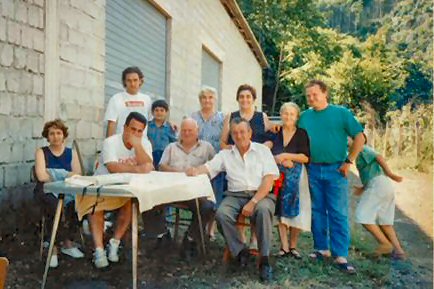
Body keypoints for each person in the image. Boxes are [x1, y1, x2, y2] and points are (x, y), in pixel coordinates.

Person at [187, 117, 280, 282]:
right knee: (221, 214)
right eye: (235, 133)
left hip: (261, 194)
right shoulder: (226, 154)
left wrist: (253, 202)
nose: (239, 136)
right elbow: (209, 168)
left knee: (264, 210)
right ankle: (240, 251)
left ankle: (264, 260)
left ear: (250, 132)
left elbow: (268, 182)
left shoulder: (263, 151)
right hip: (235, 195)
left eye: (243, 131)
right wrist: (194, 170)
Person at [298, 80, 365, 274]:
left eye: (315, 94)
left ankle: (341, 254)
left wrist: (349, 161)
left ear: (325, 93)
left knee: (337, 211)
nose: (311, 98)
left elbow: (360, 137)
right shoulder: (304, 117)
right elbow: (290, 129)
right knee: (317, 210)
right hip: (312, 169)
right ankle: (321, 249)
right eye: (308, 95)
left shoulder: (341, 113)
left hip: (336, 170)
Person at [76, 112, 154, 268]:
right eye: (133, 129)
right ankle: (98, 250)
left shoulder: (144, 143)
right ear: (125, 127)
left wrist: (138, 145)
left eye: (140, 131)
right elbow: (112, 167)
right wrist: (138, 169)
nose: (135, 134)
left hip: (126, 188)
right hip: (103, 186)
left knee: (131, 204)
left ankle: (115, 242)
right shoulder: (111, 142)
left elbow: (149, 166)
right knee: (95, 207)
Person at [220, 84, 275, 252]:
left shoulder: (262, 116)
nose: (245, 99)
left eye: (248, 97)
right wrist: (233, 150)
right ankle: (240, 241)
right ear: (237, 99)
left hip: (257, 164)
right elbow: (223, 142)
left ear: (253, 99)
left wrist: (263, 147)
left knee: (260, 208)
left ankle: (255, 240)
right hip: (237, 164)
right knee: (232, 203)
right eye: (242, 96)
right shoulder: (231, 116)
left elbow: (272, 136)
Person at [159, 118, 216, 259]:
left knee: (208, 207)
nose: (187, 133)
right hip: (171, 189)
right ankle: (161, 235)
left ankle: (190, 238)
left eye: (190, 130)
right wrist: (180, 173)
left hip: (195, 192)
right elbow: (162, 166)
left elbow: (215, 167)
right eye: (184, 130)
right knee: (147, 200)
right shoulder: (171, 147)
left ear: (197, 131)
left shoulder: (207, 147)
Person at [34, 119, 84, 268]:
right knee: (54, 207)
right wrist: (65, 175)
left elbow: (77, 174)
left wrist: (54, 174)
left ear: (64, 135)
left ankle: (67, 243)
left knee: (79, 204)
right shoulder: (41, 152)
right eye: (52, 133)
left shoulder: (71, 153)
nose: (55, 136)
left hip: (67, 190)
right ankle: (53, 248)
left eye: (59, 133)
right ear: (47, 136)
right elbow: (42, 176)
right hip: (46, 190)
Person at [266, 102, 311, 260]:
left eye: (292, 114)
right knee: (281, 210)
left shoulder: (301, 133)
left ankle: (293, 246)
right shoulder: (275, 133)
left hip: (297, 177)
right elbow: (265, 152)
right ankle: (284, 247)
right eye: (285, 113)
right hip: (278, 178)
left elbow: (305, 157)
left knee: (296, 210)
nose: (288, 117)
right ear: (281, 115)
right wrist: (278, 160)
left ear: (297, 117)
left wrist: (286, 156)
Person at [352, 139, 406, 259]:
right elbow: (370, 172)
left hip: (379, 184)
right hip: (383, 185)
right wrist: (363, 187)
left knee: (362, 215)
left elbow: (378, 157)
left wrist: (390, 173)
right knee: (385, 221)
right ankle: (399, 251)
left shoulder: (363, 149)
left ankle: (385, 244)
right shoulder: (358, 154)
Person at [191, 86, 225, 240]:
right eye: (204, 97)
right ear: (200, 100)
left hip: (215, 164)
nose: (207, 100)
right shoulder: (193, 117)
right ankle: (198, 227)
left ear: (215, 100)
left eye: (210, 97)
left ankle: (210, 230)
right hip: (197, 162)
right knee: (198, 196)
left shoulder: (222, 118)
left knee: (213, 197)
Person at [104, 66, 152, 138]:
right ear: (124, 82)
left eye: (135, 80)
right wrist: (108, 146)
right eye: (129, 80)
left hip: (141, 144)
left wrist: (170, 126)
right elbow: (111, 124)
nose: (132, 84)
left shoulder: (147, 99)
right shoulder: (116, 99)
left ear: (140, 81)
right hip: (121, 144)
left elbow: (152, 122)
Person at [147, 99, 177, 168]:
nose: (159, 113)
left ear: (166, 112)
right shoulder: (147, 126)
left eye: (162, 110)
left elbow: (174, 143)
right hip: (150, 156)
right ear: (152, 112)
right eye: (156, 110)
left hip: (164, 157)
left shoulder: (170, 127)